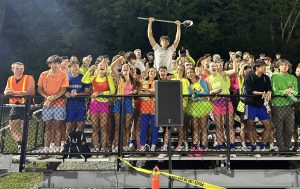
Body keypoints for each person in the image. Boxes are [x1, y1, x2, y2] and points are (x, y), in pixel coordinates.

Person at [81, 56, 115, 153]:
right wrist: (90, 70)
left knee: (104, 127)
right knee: (95, 127)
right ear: (97, 67)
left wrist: (100, 93)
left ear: (106, 68)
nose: (102, 66)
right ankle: (96, 148)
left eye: (104, 65)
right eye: (100, 65)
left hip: (104, 104)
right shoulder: (94, 77)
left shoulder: (108, 77)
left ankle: (103, 148)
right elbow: (83, 80)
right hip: (94, 104)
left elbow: (112, 91)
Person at [206, 52, 238, 151]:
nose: (214, 67)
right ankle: (220, 144)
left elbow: (235, 70)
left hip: (226, 101)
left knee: (230, 124)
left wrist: (234, 59)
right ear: (209, 68)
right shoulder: (207, 79)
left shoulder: (222, 73)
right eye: (212, 66)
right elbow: (209, 93)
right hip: (216, 103)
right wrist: (213, 91)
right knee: (218, 125)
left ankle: (232, 144)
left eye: (215, 65)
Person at [37, 55, 69, 153]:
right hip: (47, 104)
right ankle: (46, 147)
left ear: (60, 64)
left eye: (57, 63)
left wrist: (53, 98)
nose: (55, 65)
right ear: (49, 64)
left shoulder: (64, 75)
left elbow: (63, 90)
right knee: (48, 126)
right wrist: (47, 97)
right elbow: (39, 89)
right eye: (52, 63)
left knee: (58, 126)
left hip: (59, 104)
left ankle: (57, 147)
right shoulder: (43, 74)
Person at [4, 62, 35, 152]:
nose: (20, 71)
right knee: (13, 127)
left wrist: (14, 92)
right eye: (17, 68)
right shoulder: (10, 79)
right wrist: (7, 92)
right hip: (15, 105)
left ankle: (24, 145)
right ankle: (21, 144)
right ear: (12, 69)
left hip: (26, 105)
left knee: (25, 127)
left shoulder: (29, 78)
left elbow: (31, 92)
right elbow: (6, 91)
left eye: (22, 68)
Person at [243, 59, 273, 152]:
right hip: (250, 104)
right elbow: (248, 91)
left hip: (261, 105)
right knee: (250, 125)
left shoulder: (266, 78)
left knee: (269, 126)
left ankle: (263, 146)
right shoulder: (249, 76)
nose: (265, 68)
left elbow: (269, 89)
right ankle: (253, 146)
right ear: (257, 67)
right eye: (263, 66)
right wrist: (262, 93)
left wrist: (269, 93)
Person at [111, 56, 138, 151]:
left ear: (130, 69)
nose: (125, 68)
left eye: (127, 67)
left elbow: (137, 90)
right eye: (123, 67)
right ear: (121, 69)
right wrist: (119, 59)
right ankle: (117, 146)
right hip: (119, 101)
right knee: (119, 126)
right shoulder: (119, 77)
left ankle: (126, 145)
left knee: (127, 126)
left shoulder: (133, 80)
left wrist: (134, 92)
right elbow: (111, 67)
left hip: (129, 102)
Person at [271, 59, 298, 151]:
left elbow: (296, 91)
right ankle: (281, 148)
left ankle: (288, 146)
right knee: (279, 128)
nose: (284, 67)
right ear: (278, 67)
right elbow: (275, 91)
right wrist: (285, 91)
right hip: (277, 105)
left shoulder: (292, 77)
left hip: (290, 106)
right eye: (282, 65)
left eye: (286, 65)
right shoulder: (274, 77)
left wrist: (289, 92)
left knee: (290, 129)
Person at [186, 68, 212, 156]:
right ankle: (194, 146)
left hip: (203, 106)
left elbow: (206, 93)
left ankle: (203, 146)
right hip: (193, 107)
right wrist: (192, 97)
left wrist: (198, 94)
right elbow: (189, 96)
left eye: (191, 72)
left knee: (203, 127)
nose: (190, 74)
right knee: (195, 128)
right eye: (188, 73)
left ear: (194, 73)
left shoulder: (202, 81)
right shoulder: (188, 84)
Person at [65, 58, 91, 136]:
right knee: (69, 126)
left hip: (81, 104)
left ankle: (81, 145)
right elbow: (63, 90)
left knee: (81, 126)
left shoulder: (83, 78)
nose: (76, 67)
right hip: (70, 104)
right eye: (73, 66)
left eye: (77, 65)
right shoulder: (66, 77)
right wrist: (67, 93)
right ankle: (68, 144)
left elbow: (87, 92)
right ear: (69, 68)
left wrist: (77, 94)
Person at [139, 68, 158, 151]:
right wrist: (151, 92)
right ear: (148, 73)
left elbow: (157, 91)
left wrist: (146, 91)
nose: (152, 73)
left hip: (154, 108)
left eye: (154, 72)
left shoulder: (157, 82)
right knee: (143, 127)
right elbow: (140, 93)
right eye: (150, 71)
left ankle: (154, 144)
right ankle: (142, 145)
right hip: (144, 107)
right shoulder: (143, 82)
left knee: (155, 127)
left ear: (156, 74)